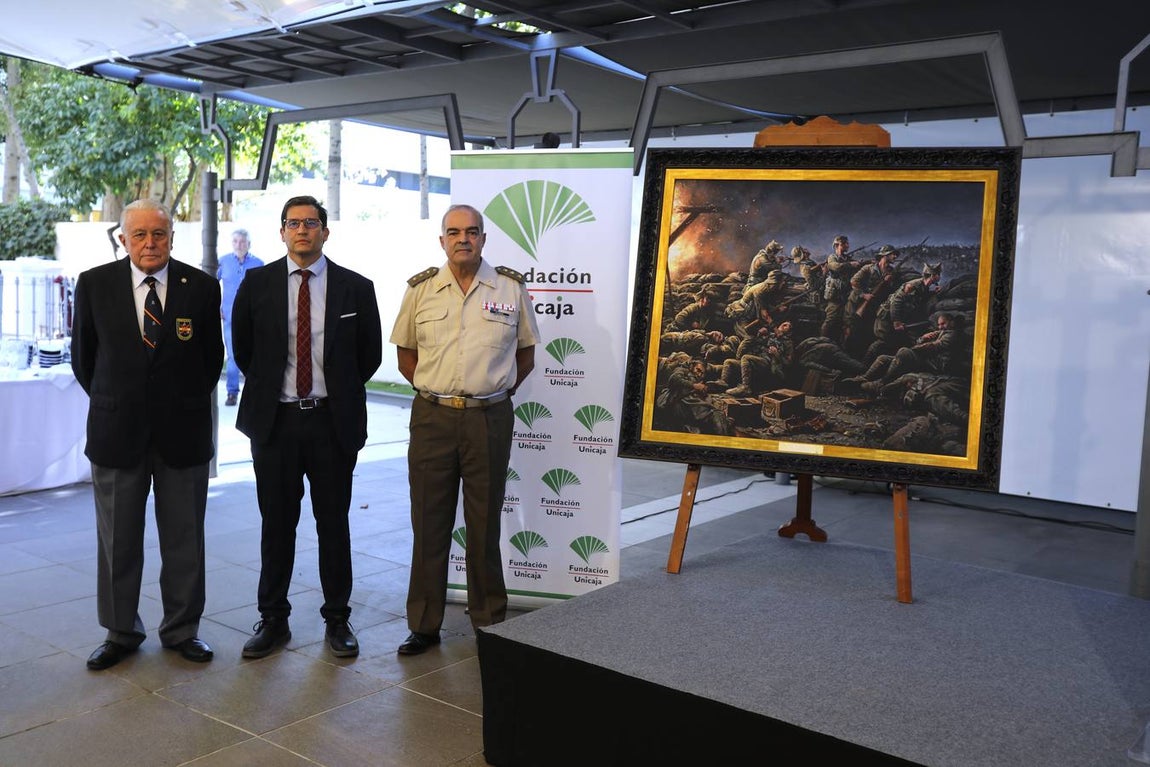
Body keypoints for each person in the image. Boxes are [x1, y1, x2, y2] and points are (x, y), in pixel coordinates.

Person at [70, 199, 223, 670]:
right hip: (118, 434)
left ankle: (182, 630)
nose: (150, 243)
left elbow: (211, 361)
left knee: (184, 540)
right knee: (117, 540)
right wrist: (123, 398)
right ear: (124, 239)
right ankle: (120, 631)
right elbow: (84, 361)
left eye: (159, 234)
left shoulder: (200, 287)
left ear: (172, 237)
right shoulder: (95, 284)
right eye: (140, 235)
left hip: (183, 435)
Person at [232, 195, 382, 659]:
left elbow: (369, 356)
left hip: (330, 424)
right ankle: (273, 618)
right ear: (281, 232)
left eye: (311, 223)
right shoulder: (254, 284)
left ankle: (337, 619)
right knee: (276, 524)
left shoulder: (356, 287)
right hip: (274, 424)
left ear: (325, 232)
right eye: (293, 223)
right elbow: (244, 351)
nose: (303, 230)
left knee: (333, 523)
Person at [390, 203, 541, 656]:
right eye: (454, 232)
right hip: (433, 418)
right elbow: (405, 355)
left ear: (483, 239)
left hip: (489, 420)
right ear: (441, 240)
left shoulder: (510, 288)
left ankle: (489, 620)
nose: (463, 239)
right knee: (429, 522)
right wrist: (438, 392)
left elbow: (526, 354)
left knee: (483, 523)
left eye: (472, 232)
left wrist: (493, 393)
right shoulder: (421, 290)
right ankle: (423, 624)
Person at [217, 228, 264, 406]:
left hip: (254, 318)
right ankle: (232, 392)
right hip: (229, 317)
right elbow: (210, 285)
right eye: (235, 241)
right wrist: (216, 307)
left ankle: (255, 391)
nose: (239, 245)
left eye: (243, 242)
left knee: (256, 354)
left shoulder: (258, 264)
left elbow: (265, 291)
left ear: (249, 244)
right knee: (233, 356)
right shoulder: (223, 262)